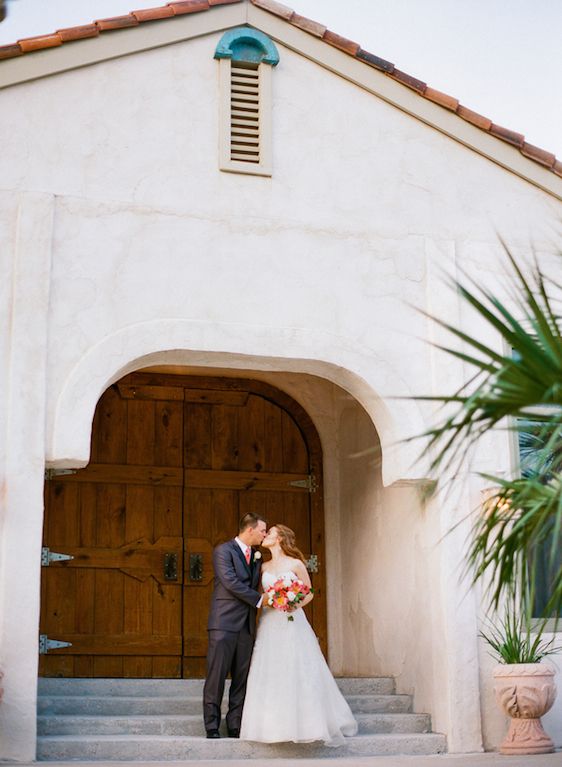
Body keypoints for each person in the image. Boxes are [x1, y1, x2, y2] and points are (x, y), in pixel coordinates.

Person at [240, 524, 358, 746]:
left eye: (270, 533)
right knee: (271, 667)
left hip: (292, 620)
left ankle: (310, 723)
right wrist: (272, 599)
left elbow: (309, 591)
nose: (265, 535)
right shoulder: (263, 567)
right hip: (269, 620)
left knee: (297, 665)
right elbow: (259, 595)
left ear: (280, 538)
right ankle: (271, 725)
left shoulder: (295, 564)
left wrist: (293, 604)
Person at [203, 512, 267, 739]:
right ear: (250, 530)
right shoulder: (223, 551)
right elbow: (230, 582)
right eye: (262, 530)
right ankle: (211, 726)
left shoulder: (257, 556)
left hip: (246, 626)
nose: (264, 534)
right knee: (216, 676)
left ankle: (235, 724)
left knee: (241, 679)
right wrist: (259, 600)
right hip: (224, 623)